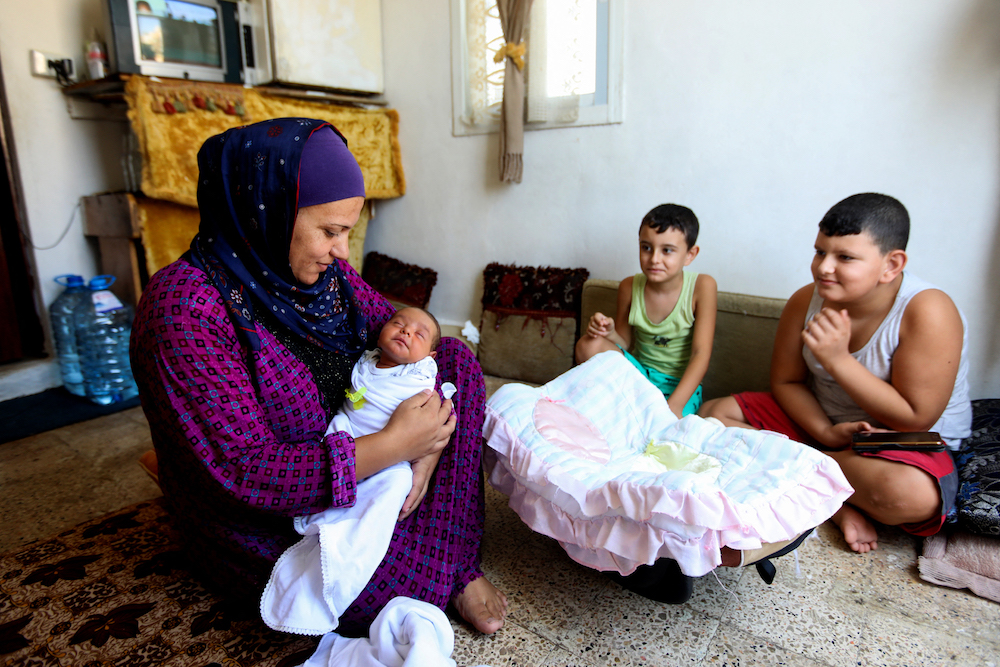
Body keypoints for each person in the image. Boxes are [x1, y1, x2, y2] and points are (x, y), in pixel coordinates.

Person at [130, 117, 507, 636]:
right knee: (363, 596)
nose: (342, 252)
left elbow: (408, 338)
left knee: (457, 363)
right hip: (272, 513)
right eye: (329, 232)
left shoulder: (328, 277)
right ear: (267, 210)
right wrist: (395, 445)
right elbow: (247, 473)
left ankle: (453, 561)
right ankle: (176, 473)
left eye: (347, 231)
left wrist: (429, 448)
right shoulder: (186, 308)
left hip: (366, 467)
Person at [699, 193, 971, 554]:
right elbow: (786, 381)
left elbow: (916, 418)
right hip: (822, 425)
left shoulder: (927, 310)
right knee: (713, 416)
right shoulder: (805, 301)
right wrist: (825, 431)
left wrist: (838, 360)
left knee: (910, 496)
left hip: (894, 443)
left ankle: (793, 473)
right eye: (820, 252)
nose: (824, 267)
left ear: (892, 264)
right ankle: (835, 506)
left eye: (845, 257)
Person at [575, 203, 718, 418]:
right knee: (588, 344)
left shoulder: (702, 286)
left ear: (690, 254)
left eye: (667, 250)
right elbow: (624, 342)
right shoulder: (628, 286)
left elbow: (701, 354)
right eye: (646, 247)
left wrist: (675, 406)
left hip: (679, 388)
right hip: (637, 379)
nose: (654, 259)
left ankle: (633, 412)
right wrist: (609, 332)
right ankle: (618, 407)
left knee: (665, 430)